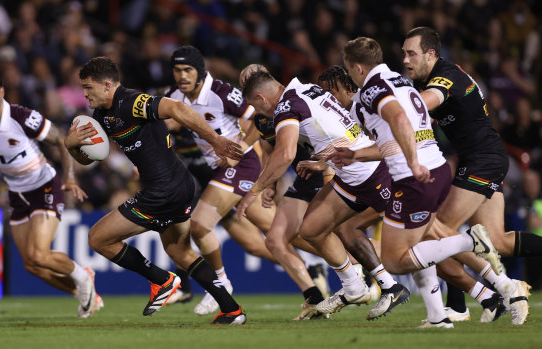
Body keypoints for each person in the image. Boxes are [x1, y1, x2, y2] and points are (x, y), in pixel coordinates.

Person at [64, 56, 246, 324]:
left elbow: (176, 108)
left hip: (163, 190)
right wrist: (71, 146)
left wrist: (216, 140)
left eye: (88, 87)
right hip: (177, 185)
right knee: (180, 252)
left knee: (98, 239)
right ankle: (232, 311)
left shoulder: (131, 101)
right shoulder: (102, 115)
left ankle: (162, 280)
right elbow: (91, 158)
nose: (84, 94)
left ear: (106, 85)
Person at [320, 65, 507, 324]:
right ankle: (482, 296)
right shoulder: (393, 89)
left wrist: (409, 162)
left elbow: (393, 138)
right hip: (412, 174)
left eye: (331, 92)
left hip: (401, 179)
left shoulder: (365, 103)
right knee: (424, 240)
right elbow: (386, 142)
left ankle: (473, 268)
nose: (330, 99)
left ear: (348, 85)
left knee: (389, 247)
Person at [237, 65, 411, 321]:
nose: (260, 112)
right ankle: (364, 287)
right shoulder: (308, 89)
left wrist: (255, 189)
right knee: (311, 230)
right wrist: (323, 162)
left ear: (261, 98)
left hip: (370, 173)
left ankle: (469, 254)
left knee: (420, 238)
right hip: (350, 173)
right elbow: (337, 128)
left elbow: (284, 154)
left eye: (256, 105)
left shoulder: (287, 107)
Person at [0, 70, 101, 318]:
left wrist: (69, 178)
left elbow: (60, 140)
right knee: (32, 265)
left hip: (44, 185)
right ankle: (82, 293)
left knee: (39, 254)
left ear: (2, 92)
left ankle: (82, 275)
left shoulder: (21, 116)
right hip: (17, 193)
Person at [402, 26, 531, 325]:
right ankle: (466, 304)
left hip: (482, 161)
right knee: (497, 241)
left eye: (412, 53)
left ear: (431, 54)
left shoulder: (445, 77)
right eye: (403, 53)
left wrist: (388, 108)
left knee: (438, 234)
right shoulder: (433, 77)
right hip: (482, 159)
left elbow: (425, 102)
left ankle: (485, 297)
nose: (406, 60)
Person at [166, 46, 281, 315]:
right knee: (276, 235)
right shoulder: (174, 97)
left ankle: (219, 284)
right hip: (217, 172)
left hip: (242, 164)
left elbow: (260, 120)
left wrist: (238, 148)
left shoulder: (222, 93)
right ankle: (330, 266)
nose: (182, 76)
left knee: (200, 225)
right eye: (177, 70)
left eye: (187, 70)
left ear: (200, 72)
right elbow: (163, 126)